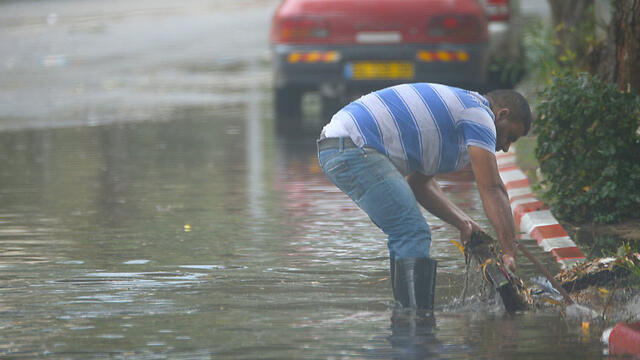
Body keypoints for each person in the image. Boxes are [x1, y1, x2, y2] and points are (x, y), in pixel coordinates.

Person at [316, 83, 531, 311]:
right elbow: (492, 188)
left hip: (341, 145)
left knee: (407, 230)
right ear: (502, 114)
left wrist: (464, 223)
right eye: (510, 136)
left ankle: (406, 319)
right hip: (352, 145)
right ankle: (416, 326)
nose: (506, 148)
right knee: (411, 230)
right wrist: (509, 253)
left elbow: (420, 185)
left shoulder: (459, 118)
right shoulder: (479, 115)